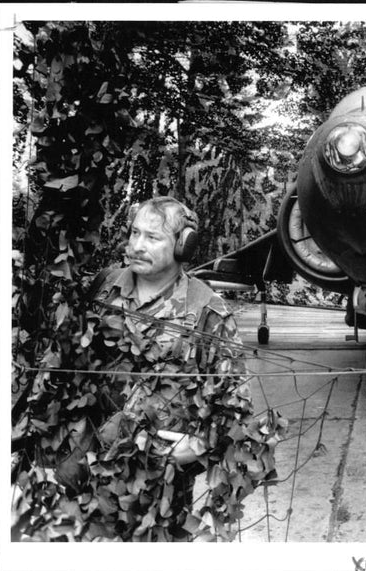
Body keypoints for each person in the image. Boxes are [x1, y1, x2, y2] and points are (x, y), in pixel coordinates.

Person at [87, 195, 252, 539]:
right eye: (134, 234)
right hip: (92, 462)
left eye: (152, 237)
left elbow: (235, 400)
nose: (136, 246)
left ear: (182, 245)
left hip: (159, 480)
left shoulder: (206, 308)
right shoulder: (105, 286)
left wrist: (198, 445)